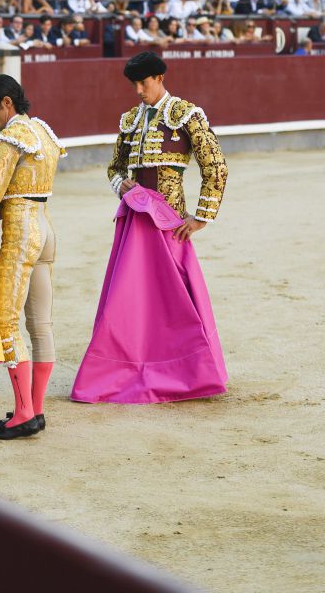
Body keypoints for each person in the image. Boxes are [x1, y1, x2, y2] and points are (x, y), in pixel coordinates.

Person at [72, 51, 228, 405]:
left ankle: (190, 372)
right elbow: (114, 169)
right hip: (136, 224)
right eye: (135, 85)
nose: (139, 90)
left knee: (175, 301)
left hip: (170, 225)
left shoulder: (186, 114)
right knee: (132, 299)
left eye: (144, 83)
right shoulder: (130, 120)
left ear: (160, 77)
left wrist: (201, 217)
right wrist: (121, 186)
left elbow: (215, 166)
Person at [0, 75, 66, 440]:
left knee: (5, 323)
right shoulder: (42, 131)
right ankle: (36, 409)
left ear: (6, 103)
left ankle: (24, 414)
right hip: (45, 228)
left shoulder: (8, 140)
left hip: (20, 233)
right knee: (40, 325)